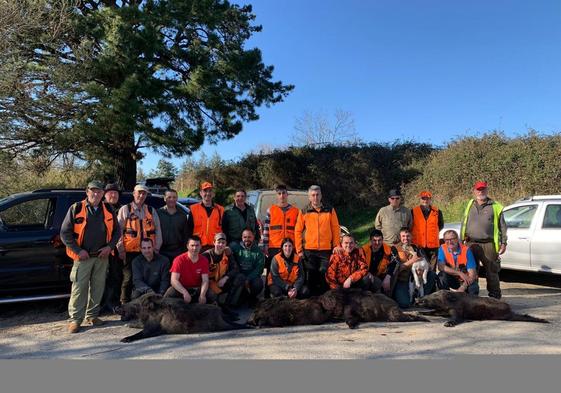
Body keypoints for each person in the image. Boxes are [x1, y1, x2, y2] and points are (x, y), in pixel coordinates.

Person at [60, 180, 120, 333]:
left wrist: (109, 247)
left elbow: (117, 232)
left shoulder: (108, 208)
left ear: (102, 194)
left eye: (99, 191)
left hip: (102, 256)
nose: (96, 194)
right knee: (79, 288)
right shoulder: (76, 208)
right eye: (93, 191)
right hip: (82, 257)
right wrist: (78, 251)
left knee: (98, 287)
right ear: (87, 192)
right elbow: (64, 233)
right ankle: (75, 320)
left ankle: (92, 315)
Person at [460, 181, 507, 299]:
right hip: (471, 243)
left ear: (487, 190)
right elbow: (463, 223)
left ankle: (495, 297)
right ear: (474, 191)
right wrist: (461, 240)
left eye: (483, 189)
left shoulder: (496, 206)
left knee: (492, 271)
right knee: (471, 270)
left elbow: (503, 227)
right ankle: (472, 295)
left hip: (488, 244)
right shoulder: (470, 204)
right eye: (478, 190)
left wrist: (504, 242)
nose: (481, 192)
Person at [116, 184, 163, 304]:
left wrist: (156, 248)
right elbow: (118, 231)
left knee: (147, 278)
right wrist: (120, 249)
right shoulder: (125, 209)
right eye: (139, 192)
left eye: (144, 193)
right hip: (130, 251)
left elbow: (158, 230)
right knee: (128, 278)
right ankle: (124, 303)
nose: (141, 195)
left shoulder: (151, 210)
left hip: (148, 251)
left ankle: (144, 303)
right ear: (134, 193)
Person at [295, 185, 340, 295]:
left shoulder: (330, 209)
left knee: (324, 275)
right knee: (311, 276)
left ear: (321, 195)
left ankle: (324, 300)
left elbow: (335, 228)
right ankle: (312, 302)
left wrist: (336, 245)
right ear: (309, 197)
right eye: (313, 195)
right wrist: (299, 250)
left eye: (317, 195)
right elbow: (297, 231)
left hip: (325, 250)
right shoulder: (304, 211)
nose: (315, 197)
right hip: (309, 251)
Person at [262, 184, 300, 297]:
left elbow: (299, 231)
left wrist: (298, 246)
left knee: (291, 270)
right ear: (276, 195)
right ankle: (267, 295)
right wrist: (265, 245)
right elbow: (266, 228)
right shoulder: (271, 210)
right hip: (274, 245)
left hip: (290, 246)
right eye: (279, 193)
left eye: (284, 193)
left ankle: (291, 292)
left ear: (287, 194)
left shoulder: (295, 211)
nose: (282, 195)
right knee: (271, 271)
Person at [387, 227, 436, 308]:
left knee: (432, 274)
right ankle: (406, 297)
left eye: (408, 236)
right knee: (404, 304)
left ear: (411, 236)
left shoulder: (417, 247)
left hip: (418, 277)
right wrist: (413, 260)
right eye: (403, 236)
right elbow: (396, 269)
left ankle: (421, 298)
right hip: (403, 279)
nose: (406, 238)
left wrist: (422, 270)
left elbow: (427, 264)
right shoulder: (394, 248)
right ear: (400, 237)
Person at [164, 236, 215, 304]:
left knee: (211, 295)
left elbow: (205, 280)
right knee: (170, 293)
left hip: (197, 289)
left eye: (197, 245)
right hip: (182, 288)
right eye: (192, 245)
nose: (194, 248)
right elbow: (173, 280)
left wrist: (202, 295)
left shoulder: (204, 260)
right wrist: (184, 292)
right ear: (187, 246)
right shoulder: (179, 260)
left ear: (200, 247)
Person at [202, 232, 245, 308]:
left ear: (226, 244)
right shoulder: (206, 256)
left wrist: (225, 278)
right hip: (209, 284)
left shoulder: (227, 253)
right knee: (213, 296)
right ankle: (217, 308)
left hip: (222, 281)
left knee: (240, 277)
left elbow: (236, 269)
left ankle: (228, 306)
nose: (221, 245)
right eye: (218, 242)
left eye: (223, 243)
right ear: (214, 242)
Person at [100, 182, 124, 313]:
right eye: (110, 193)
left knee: (116, 277)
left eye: (116, 193)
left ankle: (113, 302)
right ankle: (101, 303)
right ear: (105, 195)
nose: (113, 195)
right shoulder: (99, 208)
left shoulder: (123, 209)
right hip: (100, 250)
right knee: (100, 278)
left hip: (117, 250)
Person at [437, 230, 479, 295]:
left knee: (474, 287)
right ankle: (446, 299)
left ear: (457, 239)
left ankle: (469, 303)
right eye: (447, 240)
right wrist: (459, 273)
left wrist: (463, 287)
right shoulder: (442, 248)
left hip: (465, 280)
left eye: (452, 239)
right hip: (453, 279)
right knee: (441, 276)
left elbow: (472, 274)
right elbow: (441, 266)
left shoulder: (466, 250)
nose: (449, 242)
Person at [230, 229, 265, 307]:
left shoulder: (258, 251)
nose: (247, 239)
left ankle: (252, 297)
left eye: (249, 237)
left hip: (252, 279)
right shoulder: (236, 248)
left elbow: (259, 269)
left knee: (258, 284)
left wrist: (248, 279)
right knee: (237, 304)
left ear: (253, 237)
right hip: (240, 278)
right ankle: (241, 297)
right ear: (242, 238)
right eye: (245, 237)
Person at [410, 190, 444, 270]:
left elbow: (440, 225)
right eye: (423, 198)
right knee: (419, 269)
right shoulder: (413, 211)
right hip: (418, 246)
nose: (425, 201)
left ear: (430, 199)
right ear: (420, 199)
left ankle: (432, 282)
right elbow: (410, 226)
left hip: (433, 247)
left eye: (427, 199)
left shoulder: (437, 212)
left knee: (432, 269)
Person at [188, 181, 224, 250]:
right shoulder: (193, 209)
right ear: (201, 193)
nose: (208, 193)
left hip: (215, 246)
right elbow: (188, 230)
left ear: (213, 194)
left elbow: (224, 229)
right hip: (197, 246)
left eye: (210, 191)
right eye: (205, 191)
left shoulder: (220, 209)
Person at [157, 189, 190, 262]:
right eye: (169, 197)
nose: (172, 199)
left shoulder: (182, 215)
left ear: (177, 198)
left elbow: (185, 235)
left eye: (174, 197)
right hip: (161, 251)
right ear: (164, 198)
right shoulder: (158, 213)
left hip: (178, 251)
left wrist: (185, 251)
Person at [361, 229, 393, 294]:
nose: (377, 243)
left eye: (379, 240)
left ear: (382, 240)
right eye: (374, 240)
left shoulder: (388, 250)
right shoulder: (363, 250)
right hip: (365, 276)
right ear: (370, 241)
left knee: (382, 288)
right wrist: (367, 273)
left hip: (378, 278)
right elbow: (359, 265)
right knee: (366, 279)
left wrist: (388, 276)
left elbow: (394, 263)